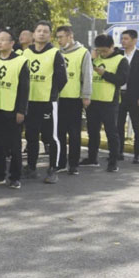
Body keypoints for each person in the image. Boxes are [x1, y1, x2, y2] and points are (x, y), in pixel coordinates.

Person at [23, 21, 67, 184]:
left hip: (48, 102)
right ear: (34, 34)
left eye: (45, 31)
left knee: (51, 137)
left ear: (50, 35)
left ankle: (53, 169)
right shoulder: (26, 53)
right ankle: (31, 167)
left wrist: (51, 94)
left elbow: (62, 79)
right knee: (31, 136)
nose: (42, 33)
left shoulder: (55, 53)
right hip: (30, 102)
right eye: (39, 31)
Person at [0, 28, 29, 189]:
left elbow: (24, 89)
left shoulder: (21, 61)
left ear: (12, 43)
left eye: (3, 40)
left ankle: (15, 176)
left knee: (14, 145)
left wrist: (21, 110)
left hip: (12, 109)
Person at [83, 34, 129, 172]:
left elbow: (121, 80)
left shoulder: (121, 60)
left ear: (112, 46)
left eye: (104, 50)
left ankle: (113, 161)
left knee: (111, 133)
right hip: (93, 101)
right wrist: (91, 59)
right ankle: (92, 158)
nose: (102, 53)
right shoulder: (94, 59)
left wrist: (104, 74)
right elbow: (84, 75)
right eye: (99, 50)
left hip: (109, 102)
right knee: (92, 132)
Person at [56, 25, 92, 175]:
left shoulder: (83, 52)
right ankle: (60, 163)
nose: (59, 40)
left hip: (74, 99)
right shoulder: (57, 53)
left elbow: (87, 75)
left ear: (70, 36)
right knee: (59, 133)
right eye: (57, 37)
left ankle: (73, 164)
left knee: (74, 134)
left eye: (61, 37)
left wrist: (86, 95)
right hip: (58, 99)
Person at [118, 29, 139, 164]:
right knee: (117, 125)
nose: (123, 41)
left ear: (134, 40)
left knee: (138, 126)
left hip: (135, 97)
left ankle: (138, 154)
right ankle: (118, 152)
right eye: (122, 38)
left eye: (126, 39)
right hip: (119, 95)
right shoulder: (118, 54)